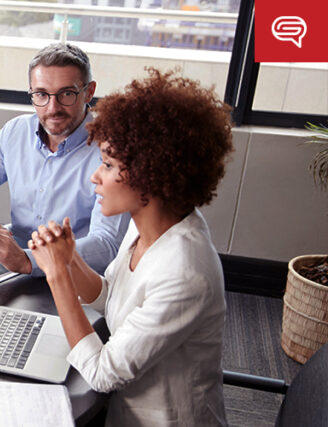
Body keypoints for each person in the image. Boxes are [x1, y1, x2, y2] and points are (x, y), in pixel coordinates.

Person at [28, 69, 233, 426]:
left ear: (149, 176)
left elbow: (102, 374)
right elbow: (112, 298)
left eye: (107, 165)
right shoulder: (149, 227)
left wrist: (58, 274)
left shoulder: (185, 272)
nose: (96, 175)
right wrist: (71, 258)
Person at [0, 43, 129, 276]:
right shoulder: (15, 132)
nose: (53, 108)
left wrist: (27, 260)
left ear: (89, 92)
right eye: (41, 94)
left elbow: (107, 245)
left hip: (77, 281)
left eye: (67, 94)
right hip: (13, 272)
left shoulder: (112, 150)